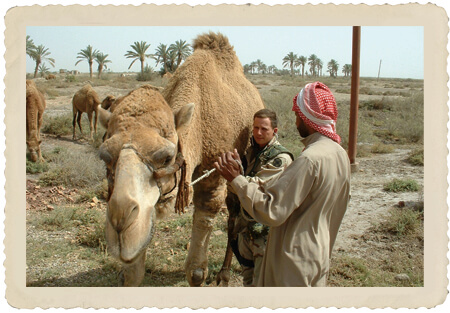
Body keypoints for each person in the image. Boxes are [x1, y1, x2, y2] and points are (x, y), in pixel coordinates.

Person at [214, 82, 351, 287]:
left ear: (308, 118)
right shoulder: (340, 154)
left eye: (298, 115)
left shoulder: (309, 160)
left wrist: (237, 180)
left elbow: (272, 209)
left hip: (292, 261)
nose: (296, 121)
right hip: (318, 253)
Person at [230, 109, 293, 287]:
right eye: (255, 127)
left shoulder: (280, 158)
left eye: (264, 129)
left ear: (275, 131)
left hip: (265, 234)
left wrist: (233, 177)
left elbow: (258, 186)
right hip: (247, 231)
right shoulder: (252, 152)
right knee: (248, 280)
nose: (258, 133)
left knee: (263, 284)